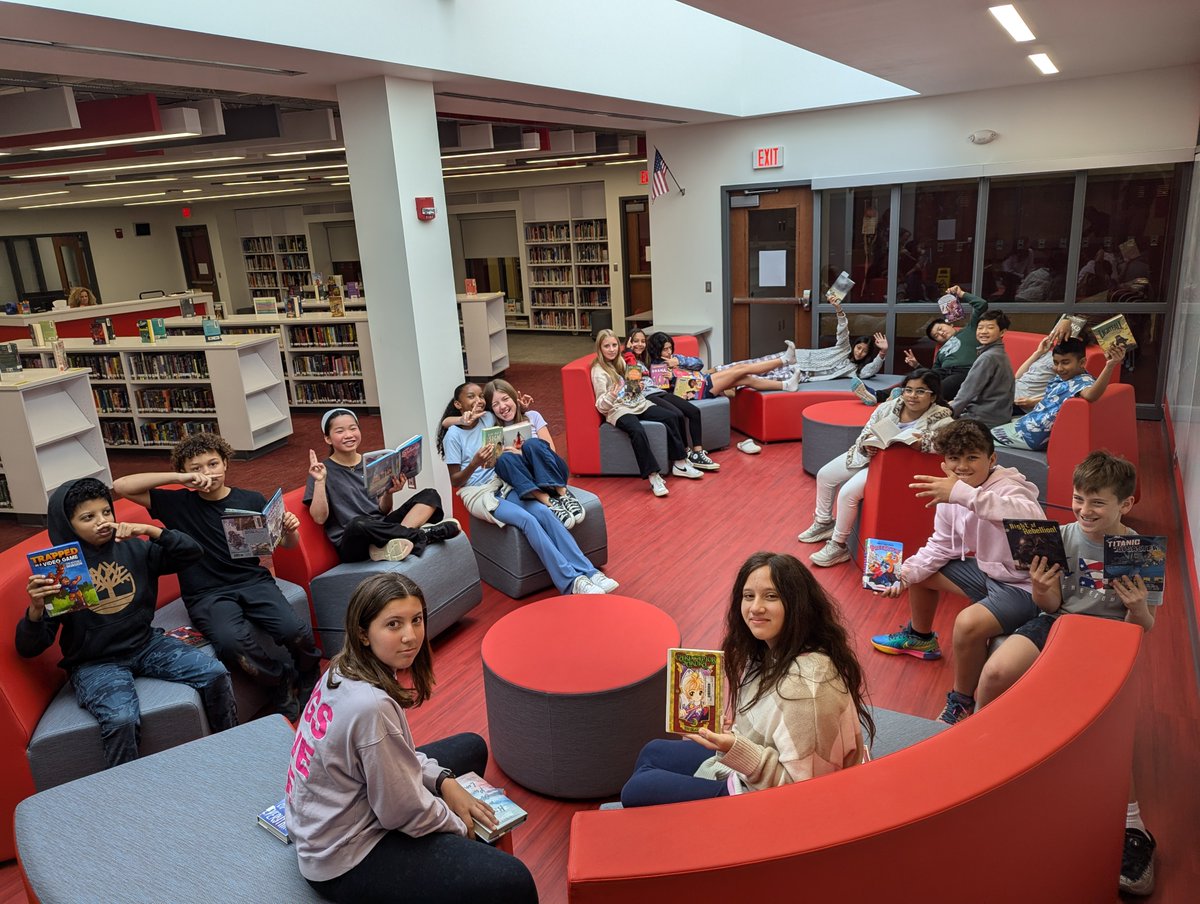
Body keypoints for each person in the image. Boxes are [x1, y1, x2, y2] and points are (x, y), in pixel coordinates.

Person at [286, 572, 538, 903]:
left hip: (344, 810)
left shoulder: (341, 667)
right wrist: (461, 826)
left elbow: (398, 754)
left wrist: (446, 783)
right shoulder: (371, 707)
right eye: (394, 624)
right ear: (364, 633)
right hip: (345, 856)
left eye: (416, 620)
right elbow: (400, 811)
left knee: (471, 747)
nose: (411, 636)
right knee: (514, 879)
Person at [972, 452, 1157, 896]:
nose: (1084, 510)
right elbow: (1050, 609)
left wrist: (1136, 608)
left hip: (1111, 634)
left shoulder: (1141, 551)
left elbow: (1143, 629)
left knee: (1110, 727)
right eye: (1078, 499)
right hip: (1060, 621)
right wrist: (1041, 586)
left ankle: (1134, 827)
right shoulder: (1056, 538)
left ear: (1125, 505)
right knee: (996, 669)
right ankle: (975, 749)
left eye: (1097, 503)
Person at [16, 478, 237, 768]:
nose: (102, 522)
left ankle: (232, 744)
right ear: (68, 524)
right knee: (121, 718)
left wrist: (151, 530)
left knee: (215, 673)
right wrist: (35, 609)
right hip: (95, 662)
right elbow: (30, 647)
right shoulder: (61, 571)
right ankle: (125, 787)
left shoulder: (133, 549)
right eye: (88, 517)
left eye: (106, 512)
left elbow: (191, 553)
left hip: (146, 644)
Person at [620, 552, 871, 806]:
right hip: (753, 770)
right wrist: (734, 735)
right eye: (748, 596)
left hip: (774, 802)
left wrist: (735, 748)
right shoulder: (769, 650)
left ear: (797, 605)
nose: (755, 608)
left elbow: (805, 794)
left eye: (771, 596)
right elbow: (770, 730)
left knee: (637, 789)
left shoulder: (805, 687)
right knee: (652, 751)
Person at [114, 433, 323, 719]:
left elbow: (285, 545)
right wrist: (177, 478)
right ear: (185, 473)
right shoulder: (176, 503)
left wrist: (290, 529)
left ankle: (309, 669)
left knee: (294, 630)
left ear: (225, 463)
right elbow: (121, 485)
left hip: (252, 580)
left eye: (213, 464)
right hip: (206, 593)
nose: (206, 473)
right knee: (231, 645)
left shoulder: (250, 498)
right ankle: (280, 679)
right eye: (195, 468)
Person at [869, 419, 1043, 725]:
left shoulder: (1010, 488)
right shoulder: (951, 494)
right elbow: (941, 547)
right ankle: (921, 637)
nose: (962, 466)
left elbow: (1031, 520)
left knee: (966, 624)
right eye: (954, 458)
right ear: (945, 461)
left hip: (1024, 586)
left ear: (992, 460)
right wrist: (904, 575)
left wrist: (963, 494)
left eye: (972, 458)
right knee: (922, 572)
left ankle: (962, 700)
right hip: (988, 573)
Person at [438, 382, 617, 595]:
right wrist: (475, 461)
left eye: (480, 397)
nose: (478, 401)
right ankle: (571, 582)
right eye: (471, 397)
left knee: (543, 512)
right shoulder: (453, 436)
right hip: (477, 493)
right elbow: (456, 480)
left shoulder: (486, 418)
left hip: (501, 483)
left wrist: (521, 407)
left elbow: (509, 414)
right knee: (527, 520)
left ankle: (589, 571)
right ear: (459, 404)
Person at [799, 369, 952, 567]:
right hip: (870, 456)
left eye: (921, 391)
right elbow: (866, 432)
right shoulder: (887, 408)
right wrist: (867, 444)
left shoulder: (944, 420)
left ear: (933, 396)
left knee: (847, 493)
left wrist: (921, 444)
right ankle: (823, 522)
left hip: (892, 469)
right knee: (825, 475)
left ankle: (838, 545)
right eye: (908, 390)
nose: (912, 396)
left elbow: (945, 445)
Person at [305, 408, 460, 563]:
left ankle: (395, 542)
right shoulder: (321, 471)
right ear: (328, 439)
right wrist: (320, 481)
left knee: (430, 495)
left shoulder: (372, 462)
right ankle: (422, 536)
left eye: (353, 428)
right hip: (353, 542)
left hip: (381, 527)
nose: (349, 435)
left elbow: (383, 510)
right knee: (358, 523)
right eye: (340, 431)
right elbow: (319, 518)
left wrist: (389, 492)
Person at [590, 329, 702, 496]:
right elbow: (601, 406)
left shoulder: (620, 361)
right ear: (600, 348)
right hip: (617, 410)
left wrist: (637, 388)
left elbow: (630, 389)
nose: (612, 349)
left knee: (670, 416)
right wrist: (613, 394)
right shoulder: (598, 371)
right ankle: (653, 475)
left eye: (614, 345)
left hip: (637, 403)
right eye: (607, 346)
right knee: (637, 430)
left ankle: (680, 462)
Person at [482, 377, 586, 527]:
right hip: (526, 480)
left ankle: (564, 494)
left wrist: (522, 453)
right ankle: (548, 501)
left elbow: (551, 451)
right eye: (495, 404)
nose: (502, 406)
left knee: (532, 444)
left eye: (505, 399)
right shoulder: (494, 432)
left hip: (551, 470)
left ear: (514, 398)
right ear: (491, 410)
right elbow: (493, 465)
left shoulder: (532, 416)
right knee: (503, 459)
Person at [993, 339, 1125, 450]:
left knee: (983, 439)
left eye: (1065, 363)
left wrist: (1109, 366)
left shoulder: (1083, 381)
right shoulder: (1062, 377)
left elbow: (1091, 395)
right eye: (1056, 363)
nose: (1059, 368)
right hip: (1027, 423)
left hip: (1031, 435)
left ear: (1082, 362)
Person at [623, 329, 720, 472]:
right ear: (629, 342)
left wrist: (673, 371)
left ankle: (697, 453)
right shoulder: (627, 358)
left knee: (693, 411)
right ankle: (685, 453)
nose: (640, 344)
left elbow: (696, 364)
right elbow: (632, 385)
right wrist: (628, 351)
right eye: (636, 341)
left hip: (659, 391)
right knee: (677, 415)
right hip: (647, 396)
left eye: (643, 341)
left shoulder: (646, 358)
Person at [902, 283, 988, 399]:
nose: (941, 333)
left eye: (940, 329)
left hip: (964, 371)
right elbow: (932, 375)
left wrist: (961, 293)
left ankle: (907, 399)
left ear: (949, 324)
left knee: (935, 391)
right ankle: (880, 394)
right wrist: (917, 365)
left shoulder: (970, 330)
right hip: (943, 372)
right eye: (936, 335)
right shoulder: (941, 351)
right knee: (913, 381)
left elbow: (981, 305)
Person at [947, 309, 1014, 429]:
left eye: (989, 327)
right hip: (999, 416)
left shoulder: (988, 357)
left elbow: (967, 393)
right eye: (980, 327)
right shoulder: (999, 353)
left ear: (1002, 332)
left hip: (982, 419)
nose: (983, 332)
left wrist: (949, 415)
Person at [1012, 316, 1089, 412]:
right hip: (1011, 393)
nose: (1059, 335)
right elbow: (1018, 376)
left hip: (1022, 405)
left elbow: (1064, 392)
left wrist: (1032, 402)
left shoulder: (1066, 364)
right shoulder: (1050, 353)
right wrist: (1038, 353)